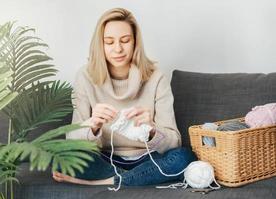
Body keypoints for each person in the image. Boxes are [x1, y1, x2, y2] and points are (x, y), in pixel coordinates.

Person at [52, 7, 196, 188]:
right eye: (109, 42)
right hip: (105, 159)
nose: (118, 49)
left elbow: (175, 141)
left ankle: (111, 181)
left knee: (184, 157)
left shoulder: (156, 77)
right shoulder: (85, 77)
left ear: (135, 42)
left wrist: (152, 129)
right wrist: (93, 125)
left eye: (125, 40)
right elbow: (71, 140)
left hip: (148, 158)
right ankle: (139, 178)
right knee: (62, 160)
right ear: (100, 45)